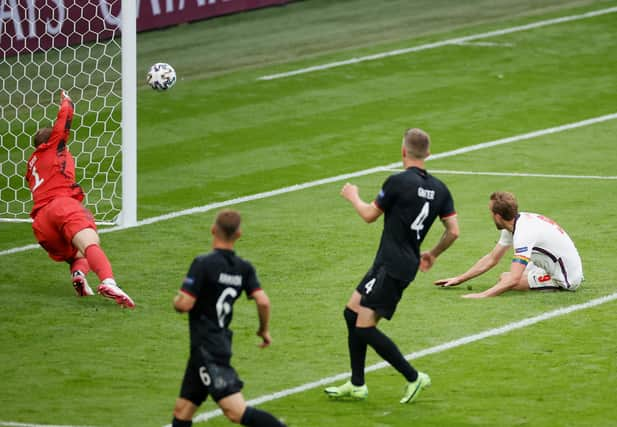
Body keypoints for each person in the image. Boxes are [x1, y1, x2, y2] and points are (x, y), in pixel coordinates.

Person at [324, 128, 459, 403]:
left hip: (392, 265)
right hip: (394, 262)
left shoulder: (397, 182)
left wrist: (353, 196)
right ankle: (357, 383)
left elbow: (369, 215)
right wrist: (432, 253)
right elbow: (453, 230)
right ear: (429, 153)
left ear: (403, 151)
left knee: (364, 327)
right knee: (351, 313)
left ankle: (413, 377)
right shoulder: (441, 189)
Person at [171, 209, 287, 427]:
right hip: (212, 345)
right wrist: (264, 330)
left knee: (235, 412)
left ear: (213, 230)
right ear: (239, 234)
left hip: (208, 350)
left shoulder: (203, 263)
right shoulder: (243, 268)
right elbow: (263, 301)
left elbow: (184, 304)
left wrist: (176, 300)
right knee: (183, 410)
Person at [25, 90, 134, 308]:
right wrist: (66, 100)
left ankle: (78, 275)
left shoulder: (32, 164)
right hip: (62, 205)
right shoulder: (55, 146)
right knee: (90, 243)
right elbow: (65, 117)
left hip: (41, 222)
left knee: (77, 252)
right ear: (50, 142)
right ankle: (108, 282)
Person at [435, 191, 584, 298]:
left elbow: (513, 279)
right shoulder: (516, 223)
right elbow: (492, 258)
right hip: (554, 263)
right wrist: (460, 278)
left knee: (506, 278)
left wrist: (482, 295)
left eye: (491, 212)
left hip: (567, 278)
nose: (490, 216)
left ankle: (552, 286)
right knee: (506, 277)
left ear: (498, 216)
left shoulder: (523, 234)